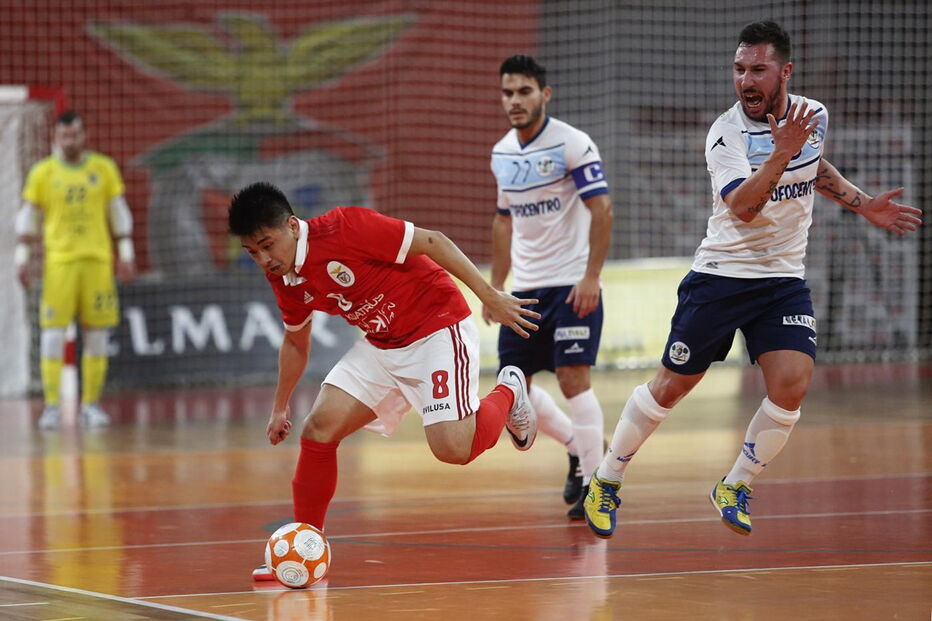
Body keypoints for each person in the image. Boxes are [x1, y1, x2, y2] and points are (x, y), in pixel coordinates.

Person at [583, 21, 923, 538]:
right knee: (672, 386)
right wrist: (782, 151)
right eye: (739, 69)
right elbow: (742, 207)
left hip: (782, 279)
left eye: (758, 69)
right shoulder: (726, 133)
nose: (746, 79)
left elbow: (814, 166)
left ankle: (735, 483)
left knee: (792, 384)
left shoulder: (813, 117)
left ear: (784, 72)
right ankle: (607, 479)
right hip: (721, 276)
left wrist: (860, 203)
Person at [227, 182, 540, 581]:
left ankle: (510, 390)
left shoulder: (345, 228)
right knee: (319, 429)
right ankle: (306, 551)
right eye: (252, 252)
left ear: (292, 225)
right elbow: (294, 342)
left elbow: (433, 241)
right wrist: (279, 405)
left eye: (267, 245)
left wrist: (488, 295)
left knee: (453, 449)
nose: (263, 259)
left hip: (436, 328)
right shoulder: (284, 277)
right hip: (383, 343)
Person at [484, 55, 613, 520]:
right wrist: (495, 288)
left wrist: (592, 276)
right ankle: (580, 448)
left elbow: (602, 211)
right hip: (525, 291)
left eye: (523, 91)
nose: (514, 101)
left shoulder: (572, 144)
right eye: (507, 93)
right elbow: (503, 223)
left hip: (572, 284)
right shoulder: (501, 153)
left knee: (573, 379)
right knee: (512, 384)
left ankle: (600, 488)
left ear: (545, 94)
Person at [15, 110, 137, 429]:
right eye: (64, 135)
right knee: (53, 335)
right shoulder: (43, 173)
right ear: (55, 137)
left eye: (76, 135)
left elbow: (118, 213)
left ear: (84, 136)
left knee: (97, 336)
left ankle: (91, 405)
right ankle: (52, 406)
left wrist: (126, 252)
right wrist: (22, 258)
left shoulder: (103, 168)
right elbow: (29, 218)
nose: (70, 141)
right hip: (60, 265)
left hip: (97, 263)